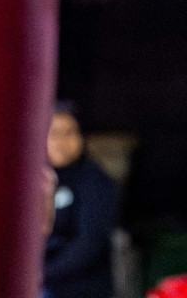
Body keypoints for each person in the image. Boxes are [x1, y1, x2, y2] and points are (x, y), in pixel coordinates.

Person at [44, 100, 119, 298]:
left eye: (69, 133)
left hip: (78, 287)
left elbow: (87, 246)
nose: (61, 141)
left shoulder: (95, 183)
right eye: (53, 133)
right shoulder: (36, 179)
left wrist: (40, 275)